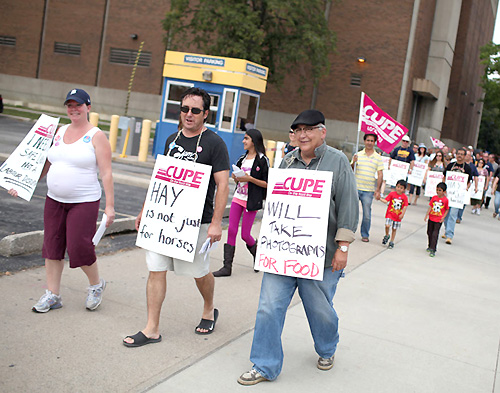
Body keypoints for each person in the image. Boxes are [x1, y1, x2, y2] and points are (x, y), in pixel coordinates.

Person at [237, 109, 358, 385]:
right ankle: (264, 364)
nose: (302, 134)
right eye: (298, 129)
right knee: (268, 306)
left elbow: (349, 206)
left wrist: (343, 248)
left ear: (322, 132)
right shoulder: (286, 162)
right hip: (283, 252)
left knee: (320, 309)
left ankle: (327, 347)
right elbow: (278, 206)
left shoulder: (338, 162)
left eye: (309, 129)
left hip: (322, 256)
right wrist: (269, 242)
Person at [123, 87, 229, 346]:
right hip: (163, 220)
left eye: (195, 110)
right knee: (156, 269)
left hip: (196, 222)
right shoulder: (172, 140)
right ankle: (151, 329)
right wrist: (145, 209)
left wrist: (216, 223)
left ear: (205, 114)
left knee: (199, 272)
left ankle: (208, 308)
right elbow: (159, 178)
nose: (188, 114)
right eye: (184, 109)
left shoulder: (215, 143)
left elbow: (223, 186)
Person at [9, 88, 115, 312]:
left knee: (79, 247)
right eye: (69, 105)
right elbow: (44, 165)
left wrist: (110, 207)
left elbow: (106, 173)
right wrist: (22, 184)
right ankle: (53, 295)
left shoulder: (96, 136)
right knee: (52, 246)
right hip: (54, 200)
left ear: (88, 107)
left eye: (78, 105)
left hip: (84, 201)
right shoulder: (57, 131)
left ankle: (96, 285)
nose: (73, 109)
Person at [212, 129, 269, 277]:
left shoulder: (262, 160)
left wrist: (250, 179)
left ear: (254, 141)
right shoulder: (242, 159)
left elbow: (268, 184)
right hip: (238, 198)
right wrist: (236, 177)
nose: (243, 141)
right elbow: (238, 179)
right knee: (231, 230)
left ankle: (257, 254)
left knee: (245, 234)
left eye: (246, 139)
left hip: (251, 201)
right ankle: (227, 267)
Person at [351, 132, 383, 242]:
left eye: (372, 141)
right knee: (351, 212)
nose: (369, 142)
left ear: (375, 143)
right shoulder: (358, 155)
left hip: (368, 191)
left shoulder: (378, 157)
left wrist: (378, 189)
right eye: (368, 140)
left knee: (367, 215)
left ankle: (365, 234)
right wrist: (353, 162)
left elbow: (380, 174)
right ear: (364, 141)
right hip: (356, 188)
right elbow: (350, 170)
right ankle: (349, 232)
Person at [442, 148, 474, 245]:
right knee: (446, 214)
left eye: (461, 154)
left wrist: (466, 189)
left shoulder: (467, 168)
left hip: (458, 196)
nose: (459, 156)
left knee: (453, 214)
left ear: (465, 156)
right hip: (448, 194)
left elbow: (469, 181)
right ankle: (447, 229)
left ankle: (449, 235)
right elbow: (444, 176)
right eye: (458, 154)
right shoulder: (451, 165)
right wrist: (443, 188)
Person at [380, 179, 408, 249]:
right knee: (387, 225)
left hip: (397, 216)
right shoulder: (392, 194)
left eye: (401, 188)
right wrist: (379, 198)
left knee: (394, 229)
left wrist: (402, 214)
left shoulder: (404, 197)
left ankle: (392, 241)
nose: (399, 189)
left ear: (404, 189)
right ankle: (387, 235)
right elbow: (386, 201)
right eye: (398, 187)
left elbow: (405, 206)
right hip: (390, 213)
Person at [424, 182, 449, 257]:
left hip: (438, 220)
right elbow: (431, 206)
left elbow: (447, 209)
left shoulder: (445, 200)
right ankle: (429, 245)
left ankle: (433, 249)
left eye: (440, 190)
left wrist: (443, 217)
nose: (438, 192)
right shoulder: (434, 198)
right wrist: (426, 215)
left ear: (444, 192)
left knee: (435, 234)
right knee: (429, 232)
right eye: (437, 190)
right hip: (431, 218)